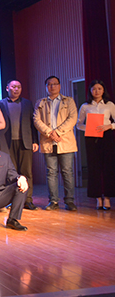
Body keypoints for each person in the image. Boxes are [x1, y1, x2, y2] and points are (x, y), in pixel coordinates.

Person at [33, 76, 78, 211]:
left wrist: (58, 132)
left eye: (55, 84)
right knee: (51, 172)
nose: (52, 86)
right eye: (49, 84)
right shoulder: (40, 102)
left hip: (65, 141)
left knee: (67, 172)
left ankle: (69, 201)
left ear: (59, 85)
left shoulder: (68, 101)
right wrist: (49, 133)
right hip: (48, 141)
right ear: (46, 87)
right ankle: (53, 201)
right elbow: (36, 120)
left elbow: (72, 118)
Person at [0, 80, 39, 210]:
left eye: (19, 87)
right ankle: (13, 200)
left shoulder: (27, 103)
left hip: (25, 142)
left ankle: (28, 200)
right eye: (13, 87)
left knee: (27, 172)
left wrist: (35, 141)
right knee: (11, 173)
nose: (16, 89)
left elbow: (32, 124)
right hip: (7, 143)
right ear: (7, 88)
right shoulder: (0, 104)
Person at [76, 80, 115, 210]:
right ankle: (98, 198)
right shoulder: (85, 106)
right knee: (94, 167)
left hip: (107, 136)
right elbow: (78, 124)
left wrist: (109, 126)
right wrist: (89, 127)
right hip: (91, 137)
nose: (97, 91)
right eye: (94, 89)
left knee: (108, 167)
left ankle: (107, 197)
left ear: (103, 90)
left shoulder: (109, 105)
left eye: (99, 88)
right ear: (90, 91)